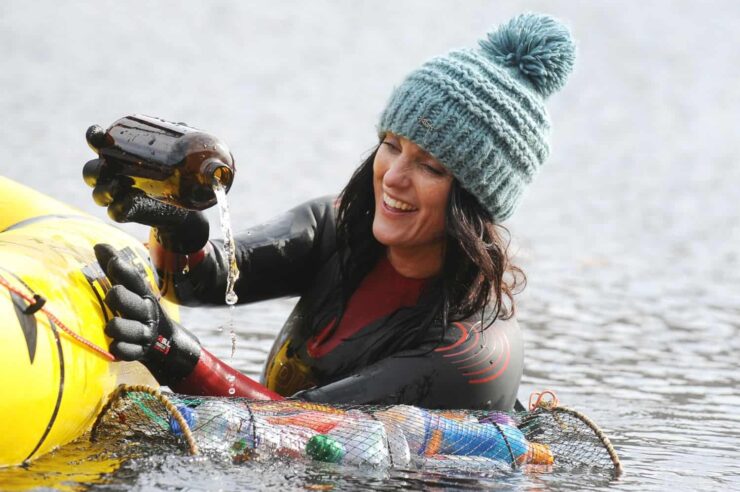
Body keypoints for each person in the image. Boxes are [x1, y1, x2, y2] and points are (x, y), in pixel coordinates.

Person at [89, 13, 576, 411]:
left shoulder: (471, 352)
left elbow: (300, 426)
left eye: (430, 166)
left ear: (475, 199)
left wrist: (172, 353)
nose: (393, 177)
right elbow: (201, 283)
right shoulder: (338, 226)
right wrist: (177, 220)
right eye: (391, 145)